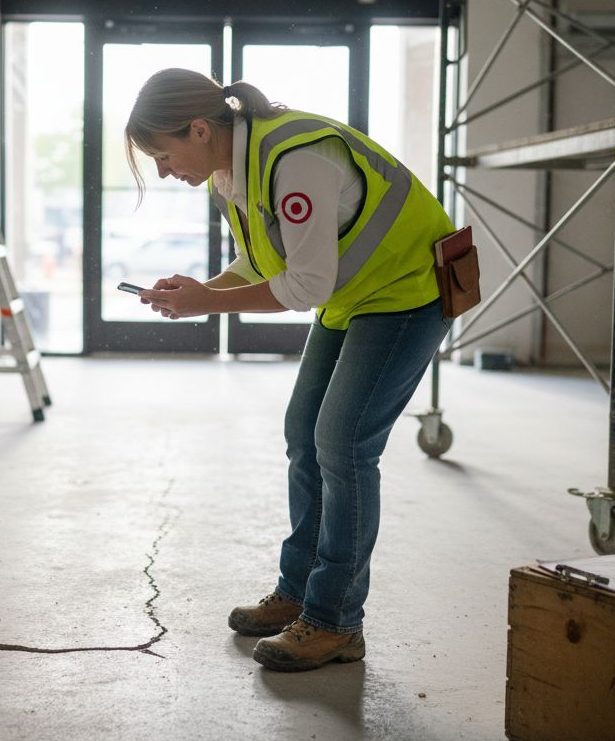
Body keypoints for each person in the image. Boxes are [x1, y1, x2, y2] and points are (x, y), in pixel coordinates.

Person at [125, 68, 456, 673]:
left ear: (200, 129)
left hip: (408, 290)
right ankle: (299, 593)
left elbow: (303, 283)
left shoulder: (295, 159)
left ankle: (335, 622)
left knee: (344, 444)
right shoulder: (228, 174)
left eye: (163, 155)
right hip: (354, 295)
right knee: (304, 432)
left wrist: (209, 303)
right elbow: (263, 260)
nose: (165, 170)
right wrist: (203, 289)